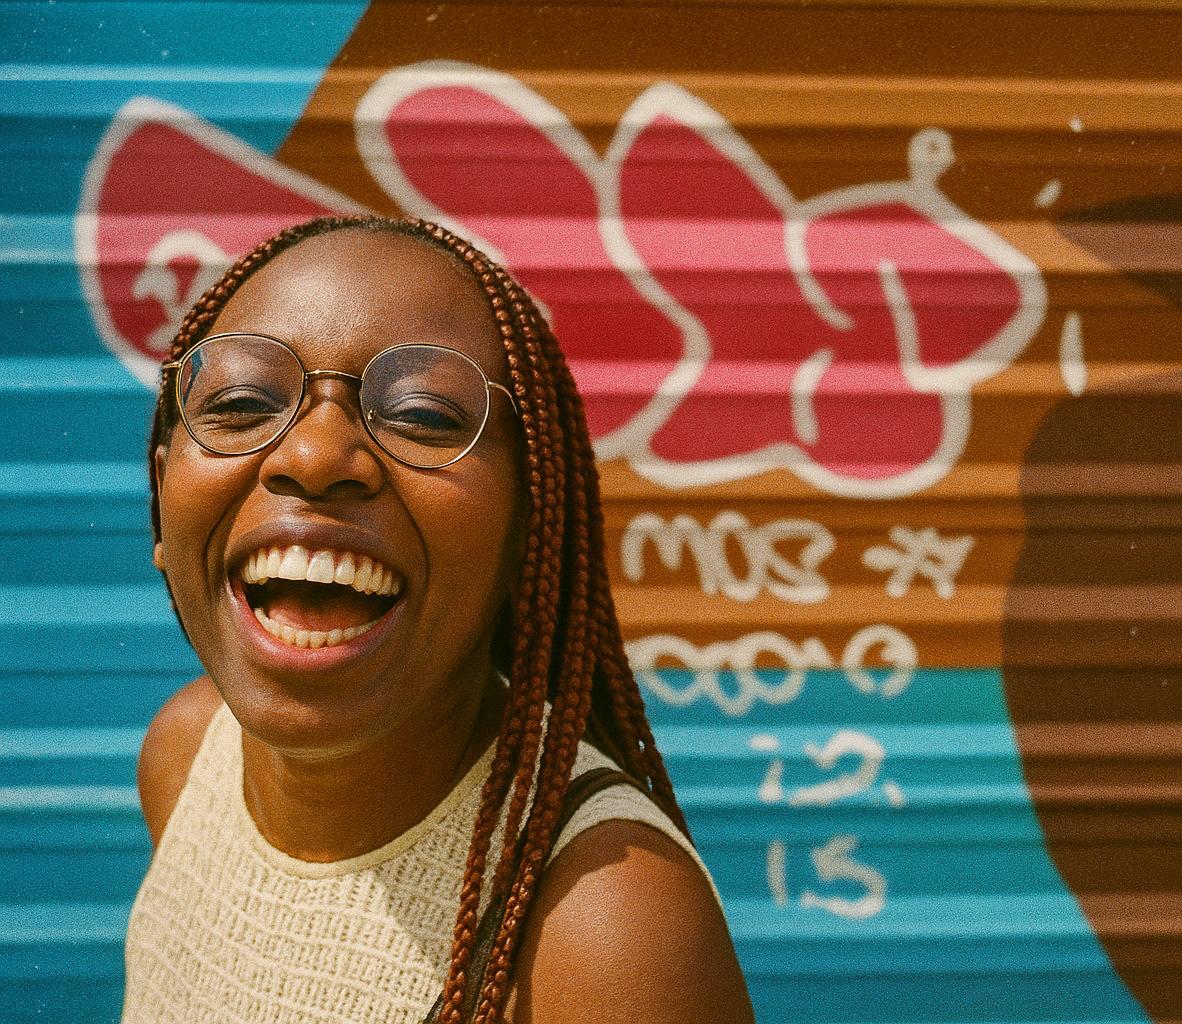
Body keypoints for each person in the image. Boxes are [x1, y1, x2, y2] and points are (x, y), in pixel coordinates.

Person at [122, 215, 755, 1023]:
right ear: (162, 488)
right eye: (242, 403)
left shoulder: (604, 925)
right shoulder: (187, 757)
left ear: (530, 526)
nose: (313, 457)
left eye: (422, 415)